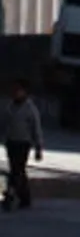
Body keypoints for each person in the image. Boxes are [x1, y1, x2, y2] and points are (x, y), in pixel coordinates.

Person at [2, 79, 45, 212]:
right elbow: (4, 123)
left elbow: (36, 129)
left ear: (25, 93)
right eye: (14, 91)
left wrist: (38, 147)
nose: (16, 93)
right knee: (17, 170)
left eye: (19, 91)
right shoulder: (10, 106)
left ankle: (10, 193)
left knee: (17, 170)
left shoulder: (30, 109)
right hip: (11, 141)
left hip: (23, 143)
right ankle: (24, 197)